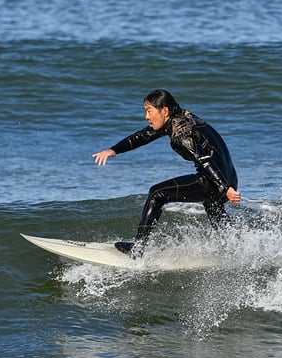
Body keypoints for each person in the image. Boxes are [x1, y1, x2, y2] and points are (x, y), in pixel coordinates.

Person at [92, 89, 241, 257]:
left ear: (164, 111)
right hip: (229, 177)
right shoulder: (180, 118)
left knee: (156, 193)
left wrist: (224, 188)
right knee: (212, 204)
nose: (146, 116)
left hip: (215, 180)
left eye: (149, 111)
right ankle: (235, 247)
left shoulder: (181, 134)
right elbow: (143, 136)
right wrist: (114, 150)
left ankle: (138, 249)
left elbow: (204, 160)